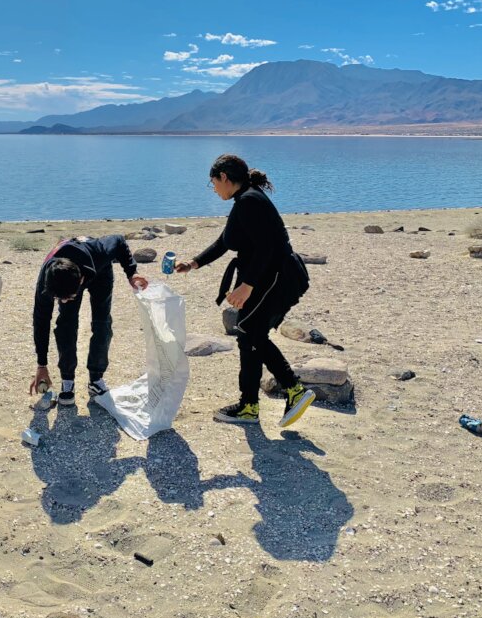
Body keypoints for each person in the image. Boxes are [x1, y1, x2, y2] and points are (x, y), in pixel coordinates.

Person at [176, 154, 316, 428]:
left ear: (224, 178)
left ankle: (293, 389)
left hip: (276, 278)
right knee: (249, 334)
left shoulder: (250, 201)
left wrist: (246, 286)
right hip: (269, 276)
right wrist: (194, 263)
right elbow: (226, 241)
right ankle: (249, 405)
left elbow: (267, 248)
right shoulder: (245, 200)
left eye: (213, 183)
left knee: (250, 332)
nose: (214, 189)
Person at [30, 235, 149, 405]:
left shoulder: (101, 250)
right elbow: (41, 320)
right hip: (67, 277)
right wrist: (41, 365)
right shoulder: (47, 279)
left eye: (68, 297)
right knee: (66, 325)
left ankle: (96, 379)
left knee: (102, 324)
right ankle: (67, 380)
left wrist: (132, 272)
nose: (63, 301)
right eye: (59, 298)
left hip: (99, 270)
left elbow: (119, 241)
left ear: (81, 280)